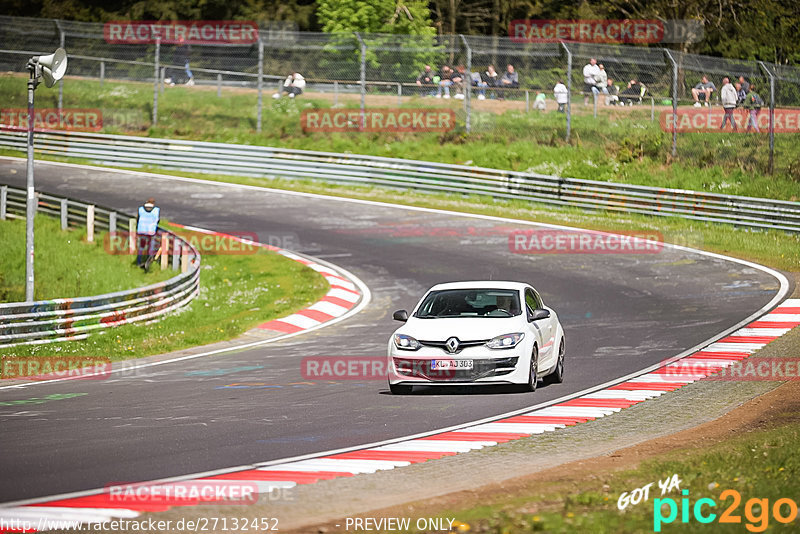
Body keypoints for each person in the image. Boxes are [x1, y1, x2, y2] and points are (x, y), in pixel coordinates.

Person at [136, 197, 160, 271]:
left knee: (141, 246)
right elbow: (158, 220)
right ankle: (148, 261)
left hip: (141, 230)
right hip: (151, 231)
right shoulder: (156, 210)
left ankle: (139, 261)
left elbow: (137, 219)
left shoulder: (140, 209)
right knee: (151, 246)